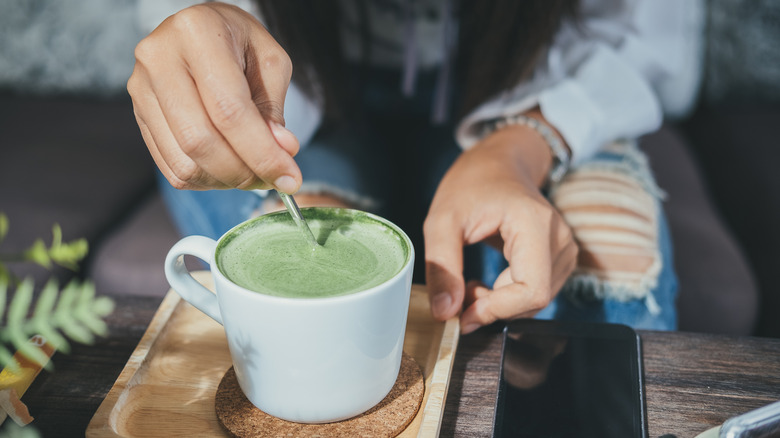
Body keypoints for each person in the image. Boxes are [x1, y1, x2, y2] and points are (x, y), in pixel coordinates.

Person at [129, 0, 703, 333]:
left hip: (533, 79)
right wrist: (209, 37)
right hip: (310, 94)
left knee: (599, 271)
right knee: (297, 289)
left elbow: (644, 41)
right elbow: (202, 49)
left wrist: (521, 143)